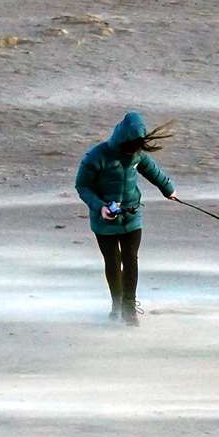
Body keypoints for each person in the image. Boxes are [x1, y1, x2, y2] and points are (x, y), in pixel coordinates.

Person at [74, 111, 177, 326]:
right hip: (104, 221)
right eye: (129, 148)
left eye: (136, 148)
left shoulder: (137, 155)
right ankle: (117, 305)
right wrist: (100, 207)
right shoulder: (97, 156)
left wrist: (168, 190)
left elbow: (154, 172)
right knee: (113, 262)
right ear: (121, 140)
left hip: (132, 217)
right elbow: (82, 186)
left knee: (130, 260)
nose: (132, 152)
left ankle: (129, 308)